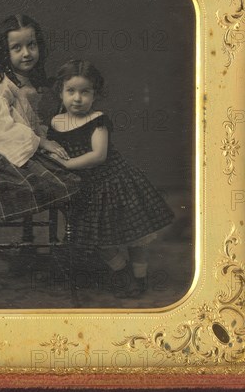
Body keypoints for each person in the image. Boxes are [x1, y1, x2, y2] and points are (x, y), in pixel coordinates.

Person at [46, 59, 174, 298]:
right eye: (71, 91)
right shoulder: (55, 122)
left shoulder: (98, 120)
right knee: (101, 240)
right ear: (60, 92)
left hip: (116, 183)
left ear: (95, 94)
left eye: (85, 92)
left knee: (136, 236)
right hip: (88, 190)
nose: (77, 98)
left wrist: (66, 163)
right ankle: (122, 273)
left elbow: (98, 155)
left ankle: (140, 277)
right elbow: (51, 147)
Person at [0, 15, 80, 221]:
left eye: (31, 45)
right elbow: (0, 129)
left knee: (71, 175)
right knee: (62, 183)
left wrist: (45, 142)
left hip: (13, 149)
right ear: (5, 53)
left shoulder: (28, 81)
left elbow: (27, 123)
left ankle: (57, 246)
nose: (26, 53)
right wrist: (43, 142)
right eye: (17, 48)